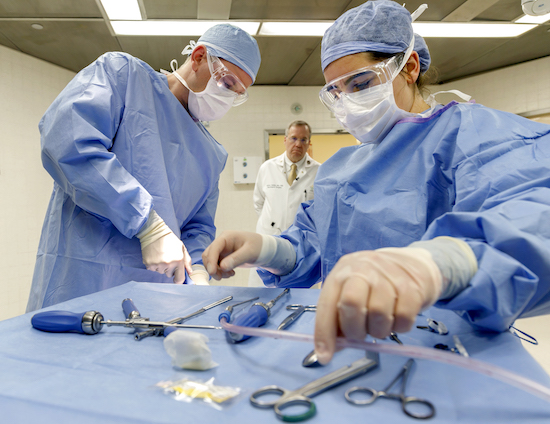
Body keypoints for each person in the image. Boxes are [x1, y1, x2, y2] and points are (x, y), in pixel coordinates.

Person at [202, 0, 550, 365]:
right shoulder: (343, 167)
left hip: (454, 354)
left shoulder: (475, 134)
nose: (349, 101)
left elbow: (535, 217)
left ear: (409, 67)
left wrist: (435, 265)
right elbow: (314, 243)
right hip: (356, 347)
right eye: (336, 91)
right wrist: (265, 249)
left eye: (361, 83)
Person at [26, 24, 261, 311]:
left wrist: (197, 271)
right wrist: (148, 225)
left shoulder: (212, 154)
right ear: (199, 57)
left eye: (238, 93)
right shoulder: (122, 76)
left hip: (156, 299)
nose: (228, 96)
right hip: (81, 282)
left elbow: (197, 227)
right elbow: (69, 143)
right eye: (227, 83)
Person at [249, 120, 320, 286]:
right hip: (269, 238)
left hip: (302, 245)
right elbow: (258, 203)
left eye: (303, 140)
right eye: (294, 138)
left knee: (299, 294)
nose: (298, 144)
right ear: (285, 139)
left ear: (309, 143)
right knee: (264, 291)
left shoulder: (319, 171)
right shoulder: (267, 168)